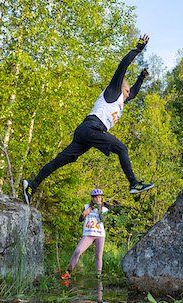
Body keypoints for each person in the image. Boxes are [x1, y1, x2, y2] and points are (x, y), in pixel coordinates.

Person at [23, 34, 154, 205]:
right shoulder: (113, 91)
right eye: (127, 91)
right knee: (122, 148)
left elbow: (134, 93)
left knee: (61, 160)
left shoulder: (120, 101)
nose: (128, 95)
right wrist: (138, 49)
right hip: (93, 128)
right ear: (121, 88)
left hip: (86, 132)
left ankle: (31, 185)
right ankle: (133, 183)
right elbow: (122, 66)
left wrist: (141, 77)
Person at [60, 188, 108, 280]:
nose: (98, 199)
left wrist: (99, 208)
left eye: (99, 197)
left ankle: (98, 276)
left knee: (98, 256)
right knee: (77, 251)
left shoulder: (104, 209)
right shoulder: (86, 207)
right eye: (96, 197)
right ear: (92, 199)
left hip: (100, 235)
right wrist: (84, 213)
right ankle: (68, 272)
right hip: (88, 234)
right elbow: (80, 219)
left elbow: (103, 220)